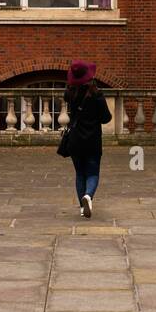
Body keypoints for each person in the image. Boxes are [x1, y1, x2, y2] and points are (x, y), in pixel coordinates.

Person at [63, 60, 111, 218]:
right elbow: (106, 118)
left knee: (79, 173)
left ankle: (83, 208)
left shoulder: (69, 93)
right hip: (92, 139)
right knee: (92, 173)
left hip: (75, 139)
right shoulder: (96, 94)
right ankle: (88, 196)